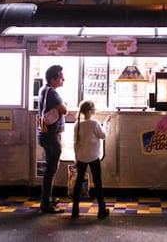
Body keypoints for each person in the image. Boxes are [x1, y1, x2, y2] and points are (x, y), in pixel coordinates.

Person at [72, 100, 111, 219]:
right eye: (94, 107)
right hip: (94, 157)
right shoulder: (94, 123)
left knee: (78, 182)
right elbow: (103, 136)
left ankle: (75, 210)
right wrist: (107, 124)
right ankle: (101, 210)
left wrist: (76, 158)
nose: (95, 109)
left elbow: (76, 143)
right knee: (97, 182)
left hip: (81, 157)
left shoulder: (77, 124)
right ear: (90, 110)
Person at [38, 65, 68, 213]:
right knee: (51, 169)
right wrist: (64, 106)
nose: (63, 79)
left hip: (45, 135)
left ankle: (47, 198)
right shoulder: (52, 93)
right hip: (50, 136)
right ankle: (46, 203)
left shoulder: (44, 90)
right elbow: (64, 110)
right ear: (53, 79)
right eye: (61, 77)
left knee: (50, 168)